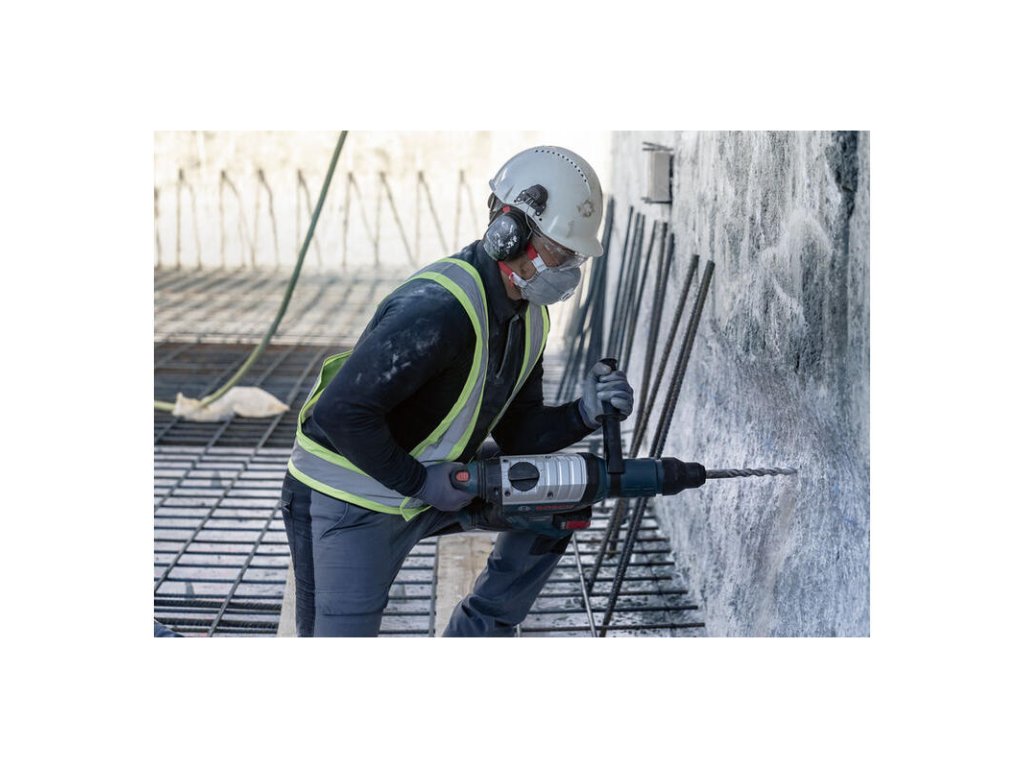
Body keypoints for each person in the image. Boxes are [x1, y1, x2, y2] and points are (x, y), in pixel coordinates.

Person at [279, 146, 634, 637]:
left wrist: (584, 414)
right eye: (560, 251)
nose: (568, 269)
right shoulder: (437, 310)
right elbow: (341, 414)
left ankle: (478, 633)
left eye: (575, 257)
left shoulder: (529, 316)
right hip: (347, 499)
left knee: (564, 493)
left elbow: (519, 434)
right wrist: (421, 484)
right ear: (508, 230)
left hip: (431, 483)